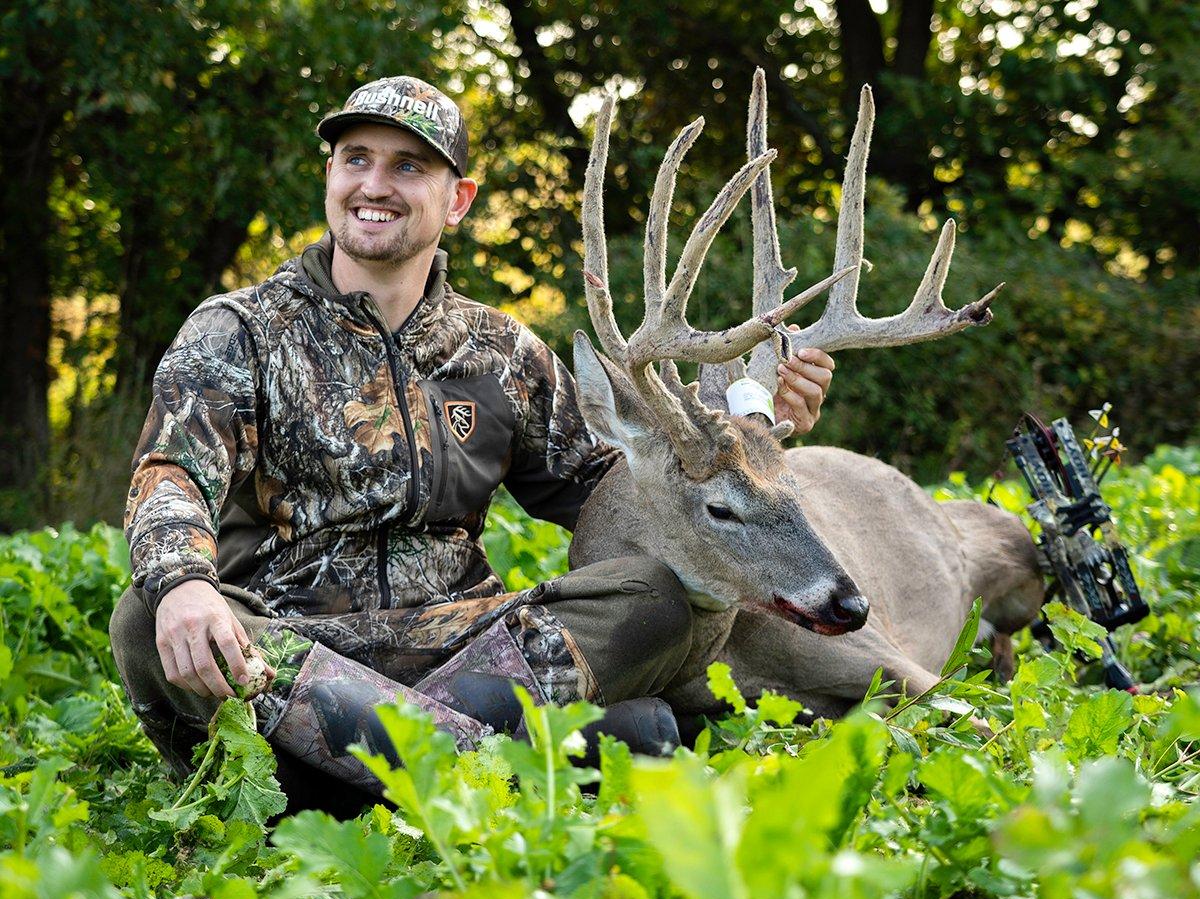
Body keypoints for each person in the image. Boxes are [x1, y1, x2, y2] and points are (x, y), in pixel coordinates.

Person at [109, 75, 836, 816]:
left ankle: (336, 779)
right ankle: (539, 754)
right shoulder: (239, 330)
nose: (375, 184)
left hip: (467, 648)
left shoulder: (499, 351)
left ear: (458, 200)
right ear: (329, 175)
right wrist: (185, 583)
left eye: (409, 166)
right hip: (289, 648)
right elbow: (170, 474)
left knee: (655, 598)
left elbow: (631, 485)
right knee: (145, 618)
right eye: (356, 158)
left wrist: (754, 434)